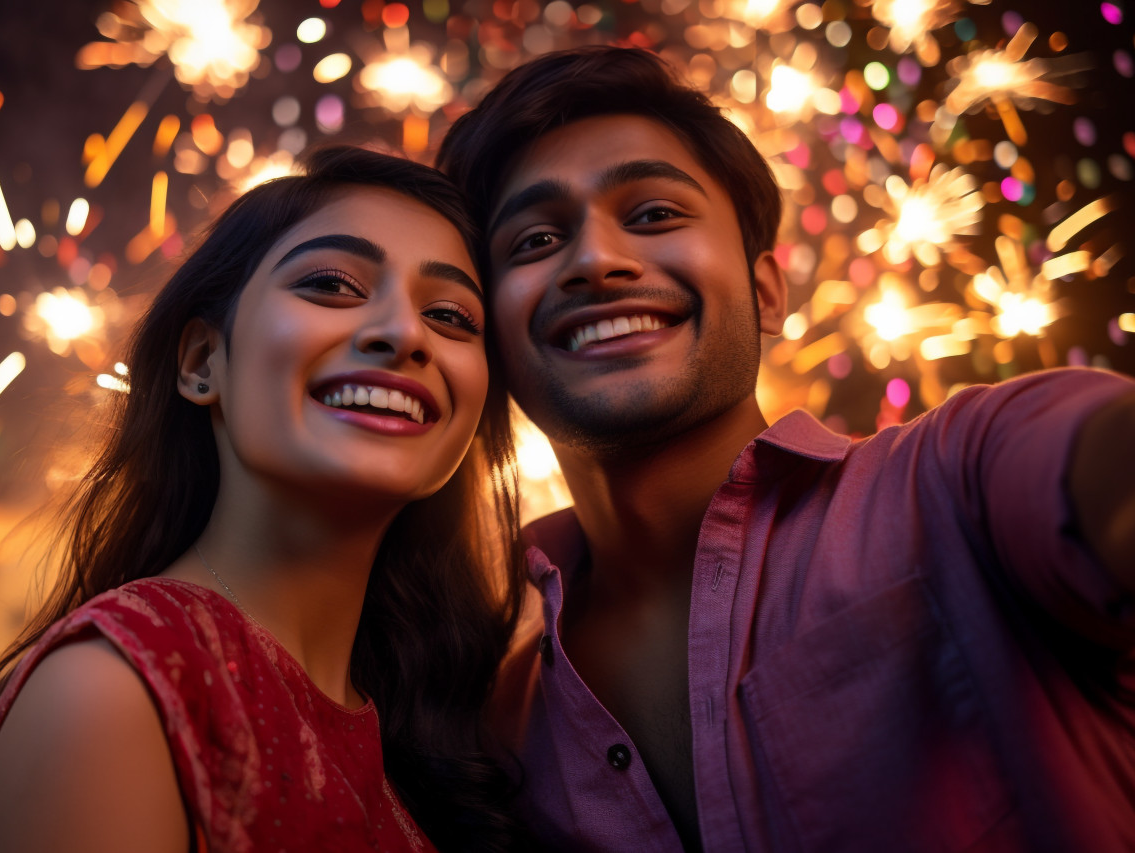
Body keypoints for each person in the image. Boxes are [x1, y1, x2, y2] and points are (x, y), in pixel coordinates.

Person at [437, 46, 1135, 852]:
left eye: (655, 213)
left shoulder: (957, 477)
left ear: (768, 293)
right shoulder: (480, 682)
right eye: (533, 240)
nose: (595, 261)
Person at [0, 146, 526, 852]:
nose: (404, 333)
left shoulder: (433, 731)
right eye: (333, 284)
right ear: (201, 362)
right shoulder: (117, 690)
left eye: (453, 317)